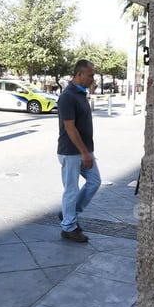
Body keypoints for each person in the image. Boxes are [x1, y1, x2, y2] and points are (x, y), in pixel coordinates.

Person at [57, 59, 101, 243]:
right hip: (71, 151)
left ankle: (70, 212)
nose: (93, 78)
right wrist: (84, 153)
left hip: (84, 150)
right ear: (79, 74)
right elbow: (70, 128)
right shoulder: (67, 96)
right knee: (71, 189)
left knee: (94, 182)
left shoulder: (80, 93)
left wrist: (86, 151)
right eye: (90, 75)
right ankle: (69, 227)